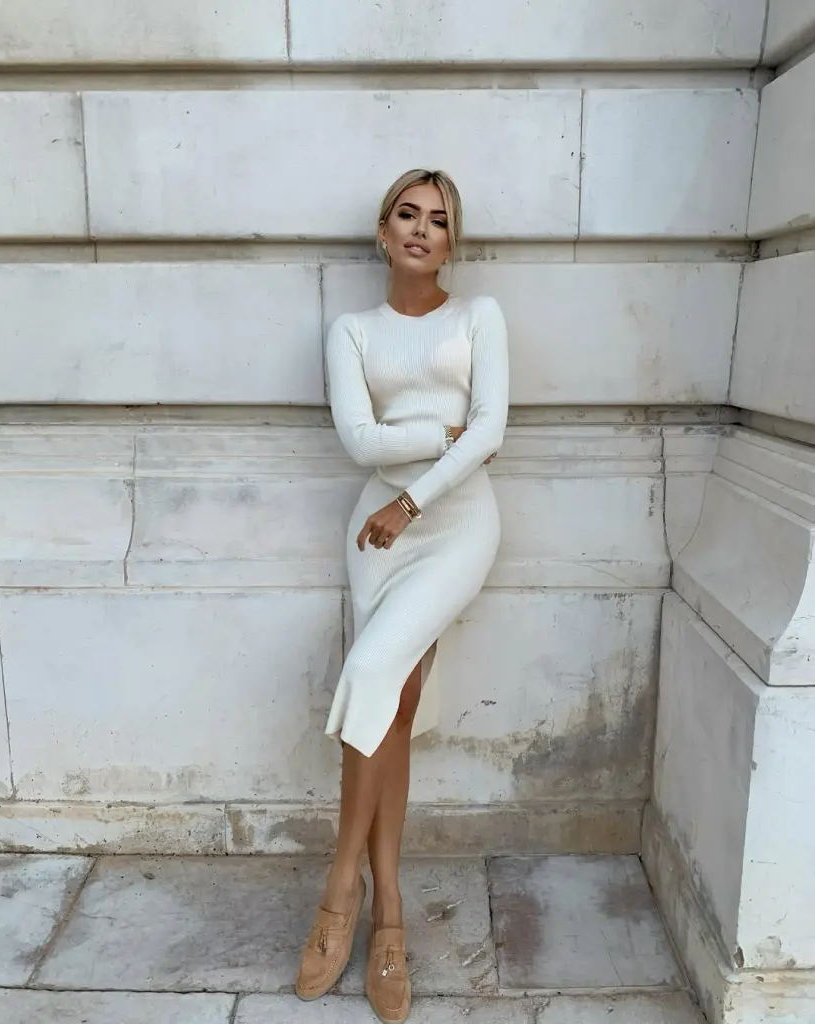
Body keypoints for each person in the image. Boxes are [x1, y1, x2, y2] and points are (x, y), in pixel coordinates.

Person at [295, 168, 510, 1023]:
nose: (423, 230)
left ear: (453, 242)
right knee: (394, 697)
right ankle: (389, 915)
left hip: (453, 526)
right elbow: (357, 440)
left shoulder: (478, 317)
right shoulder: (351, 330)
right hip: (374, 536)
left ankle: (340, 893)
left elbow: (493, 430)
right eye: (408, 215)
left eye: (441, 221)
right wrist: (439, 434)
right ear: (382, 232)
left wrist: (414, 490)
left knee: (375, 673)